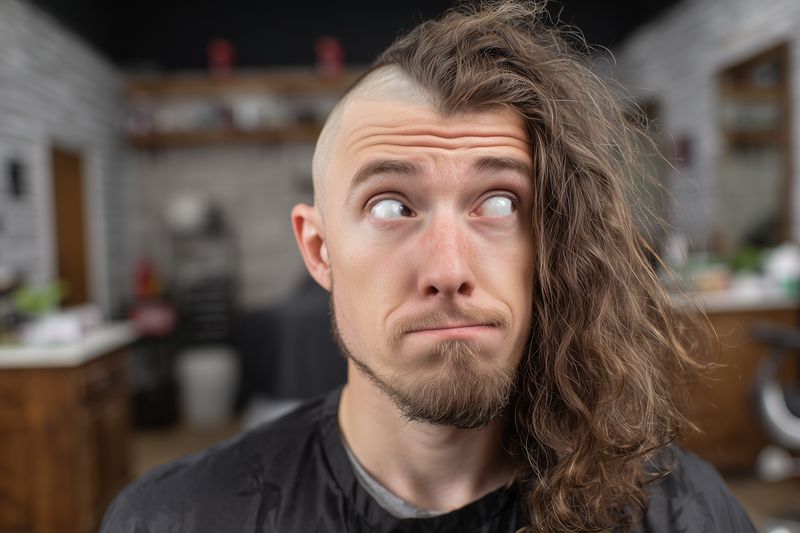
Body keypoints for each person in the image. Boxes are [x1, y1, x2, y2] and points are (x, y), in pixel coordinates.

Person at [102, 2, 757, 532]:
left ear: (550, 239)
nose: (448, 269)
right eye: (392, 205)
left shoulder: (685, 512)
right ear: (319, 249)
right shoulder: (173, 517)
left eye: (498, 202)